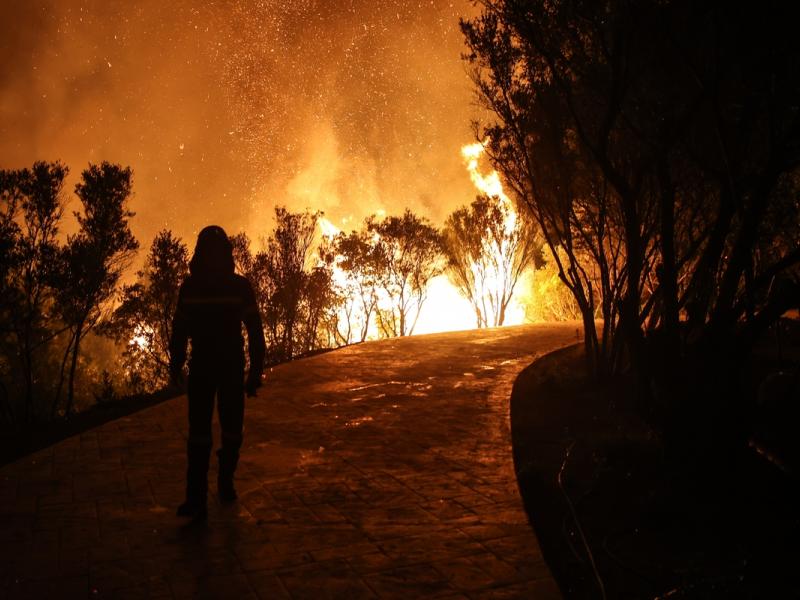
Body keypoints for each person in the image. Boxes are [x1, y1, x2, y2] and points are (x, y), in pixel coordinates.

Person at [169, 225, 266, 519]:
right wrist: (176, 364)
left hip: (230, 369)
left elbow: (255, 332)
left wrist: (255, 372)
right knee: (199, 435)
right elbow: (180, 331)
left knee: (232, 431)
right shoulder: (192, 287)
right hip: (205, 369)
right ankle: (196, 497)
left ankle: (225, 479)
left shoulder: (238, 287)